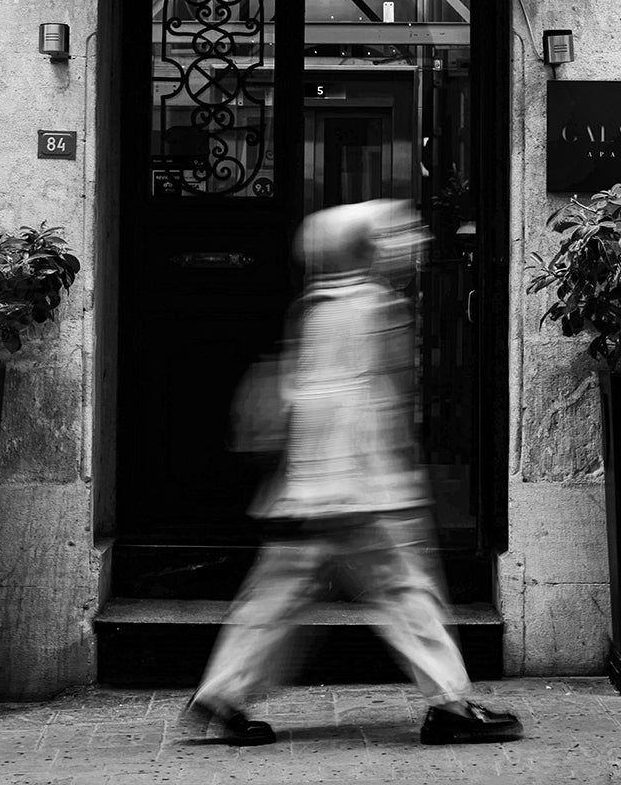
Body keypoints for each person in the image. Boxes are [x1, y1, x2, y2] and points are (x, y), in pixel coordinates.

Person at [182, 199, 523, 746]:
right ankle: (449, 702)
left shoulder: (322, 304)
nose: (411, 241)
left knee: (278, 594)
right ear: (365, 248)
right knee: (404, 589)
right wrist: (368, 483)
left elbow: (314, 395)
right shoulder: (366, 306)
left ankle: (222, 693)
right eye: (395, 234)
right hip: (355, 489)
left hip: (315, 487)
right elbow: (352, 401)